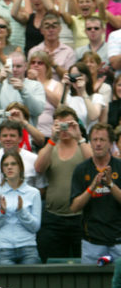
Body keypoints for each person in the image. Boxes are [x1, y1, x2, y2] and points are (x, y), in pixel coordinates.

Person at [35, 106, 92, 262]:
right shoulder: (50, 147)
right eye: (60, 125)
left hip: (80, 217)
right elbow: (39, 168)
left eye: (69, 124)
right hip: (53, 218)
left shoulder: (83, 146)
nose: (65, 129)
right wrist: (53, 139)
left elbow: (95, 166)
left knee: (83, 265)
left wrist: (79, 136)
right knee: (53, 264)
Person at [70, 123, 121, 264]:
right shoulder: (81, 170)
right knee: (90, 285)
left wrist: (110, 184)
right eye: (94, 140)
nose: (98, 144)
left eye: (102, 140)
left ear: (110, 143)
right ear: (90, 143)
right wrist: (92, 187)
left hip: (118, 241)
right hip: (92, 243)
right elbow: (74, 207)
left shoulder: (119, 167)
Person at [0, 151, 42, 265]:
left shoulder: (34, 193)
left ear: (20, 167)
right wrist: (1, 212)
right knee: (6, 281)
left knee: (31, 280)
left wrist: (22, 211)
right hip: (2, 248)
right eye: (6, 165)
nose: (9, 167)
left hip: (28, 246)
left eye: (13, 164)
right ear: (2, 169)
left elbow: (35, 227)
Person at [0, 51, 46, 128]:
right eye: (12, 66)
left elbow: (37, 111)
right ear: (6, 66)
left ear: (25, 66)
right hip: (2, 136)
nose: (14, 69)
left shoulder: (35, 85)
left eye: (18, 66)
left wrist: (23, 90)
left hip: (26, 137)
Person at [0, 121, 46, 192]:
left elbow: (41, 188)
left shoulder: (33, 159)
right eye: (4, 136)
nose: (8, 139)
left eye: (12, 136)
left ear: (20, 138)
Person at [27, 12, 76, 82]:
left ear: (60, 29)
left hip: (61, 90)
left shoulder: (68, 51)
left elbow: (71, 78)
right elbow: (29, 75)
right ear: (41, 30)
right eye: (47, 27)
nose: (51, 30)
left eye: (54, 27)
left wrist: (52, 63)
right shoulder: (33, 51)